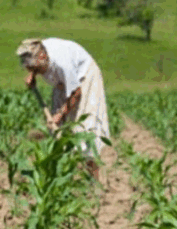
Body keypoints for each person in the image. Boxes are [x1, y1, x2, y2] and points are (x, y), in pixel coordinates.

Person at [16, 38, 110, 178]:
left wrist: (61, 113)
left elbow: (76, 92)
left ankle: (93, 180)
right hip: (62, 82)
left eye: (34, 68)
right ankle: (61, 175)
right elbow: (34, 62)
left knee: (85, 130)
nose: (32, 70)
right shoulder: (38, 51)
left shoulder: (62, 63)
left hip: (84, 78)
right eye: (29, 68)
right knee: (55, 128)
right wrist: (33, 75)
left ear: (43, 57)